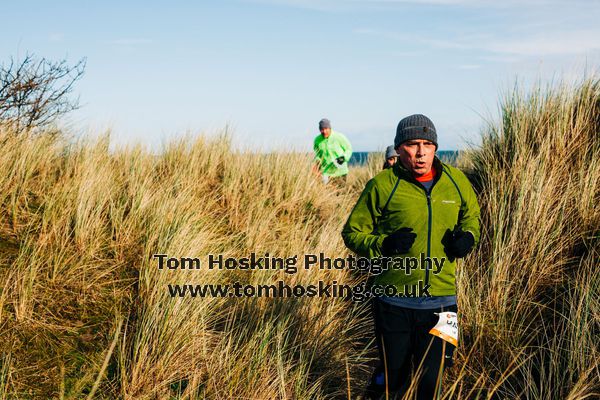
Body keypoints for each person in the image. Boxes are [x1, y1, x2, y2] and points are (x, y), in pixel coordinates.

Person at [341, 114, 480, 400]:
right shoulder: (382, 185)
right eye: (412, 144)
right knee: (396, 383)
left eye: (427, 144)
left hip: (443, 303)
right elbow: (352, 233)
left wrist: (468, 237)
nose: (420, 152)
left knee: (433, 383)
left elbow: (472, 217)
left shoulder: (457, 182)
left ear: (435, 148)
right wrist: (385, 244)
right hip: (393, 302)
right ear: (398, 148)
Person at [313, 118, 353, 186]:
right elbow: (318, 155)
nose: (324, 131)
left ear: (330, 128)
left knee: (340, 194)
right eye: (322, 129)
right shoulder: (317, 140)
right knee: (328, 195)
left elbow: (349, 149)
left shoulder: (339, 137)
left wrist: (342, 158)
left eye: (326, 128)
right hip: (326, 173)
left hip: (340, 172)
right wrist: (316, 166)